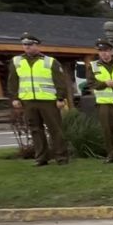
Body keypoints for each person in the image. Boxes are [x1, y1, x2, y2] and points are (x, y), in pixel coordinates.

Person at [7, 33, 69, 166]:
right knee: (35, 130)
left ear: (37, 45)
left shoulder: (50, 61)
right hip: (28, 101)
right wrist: (14, 98)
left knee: (55, 129)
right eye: (25, 45)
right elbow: (13, 81)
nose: (27, 47)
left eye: (30, 45)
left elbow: (59, 81)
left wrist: (60, 98)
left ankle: (61, 157)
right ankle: (41, 158)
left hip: (49, 101)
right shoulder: (16, 61)